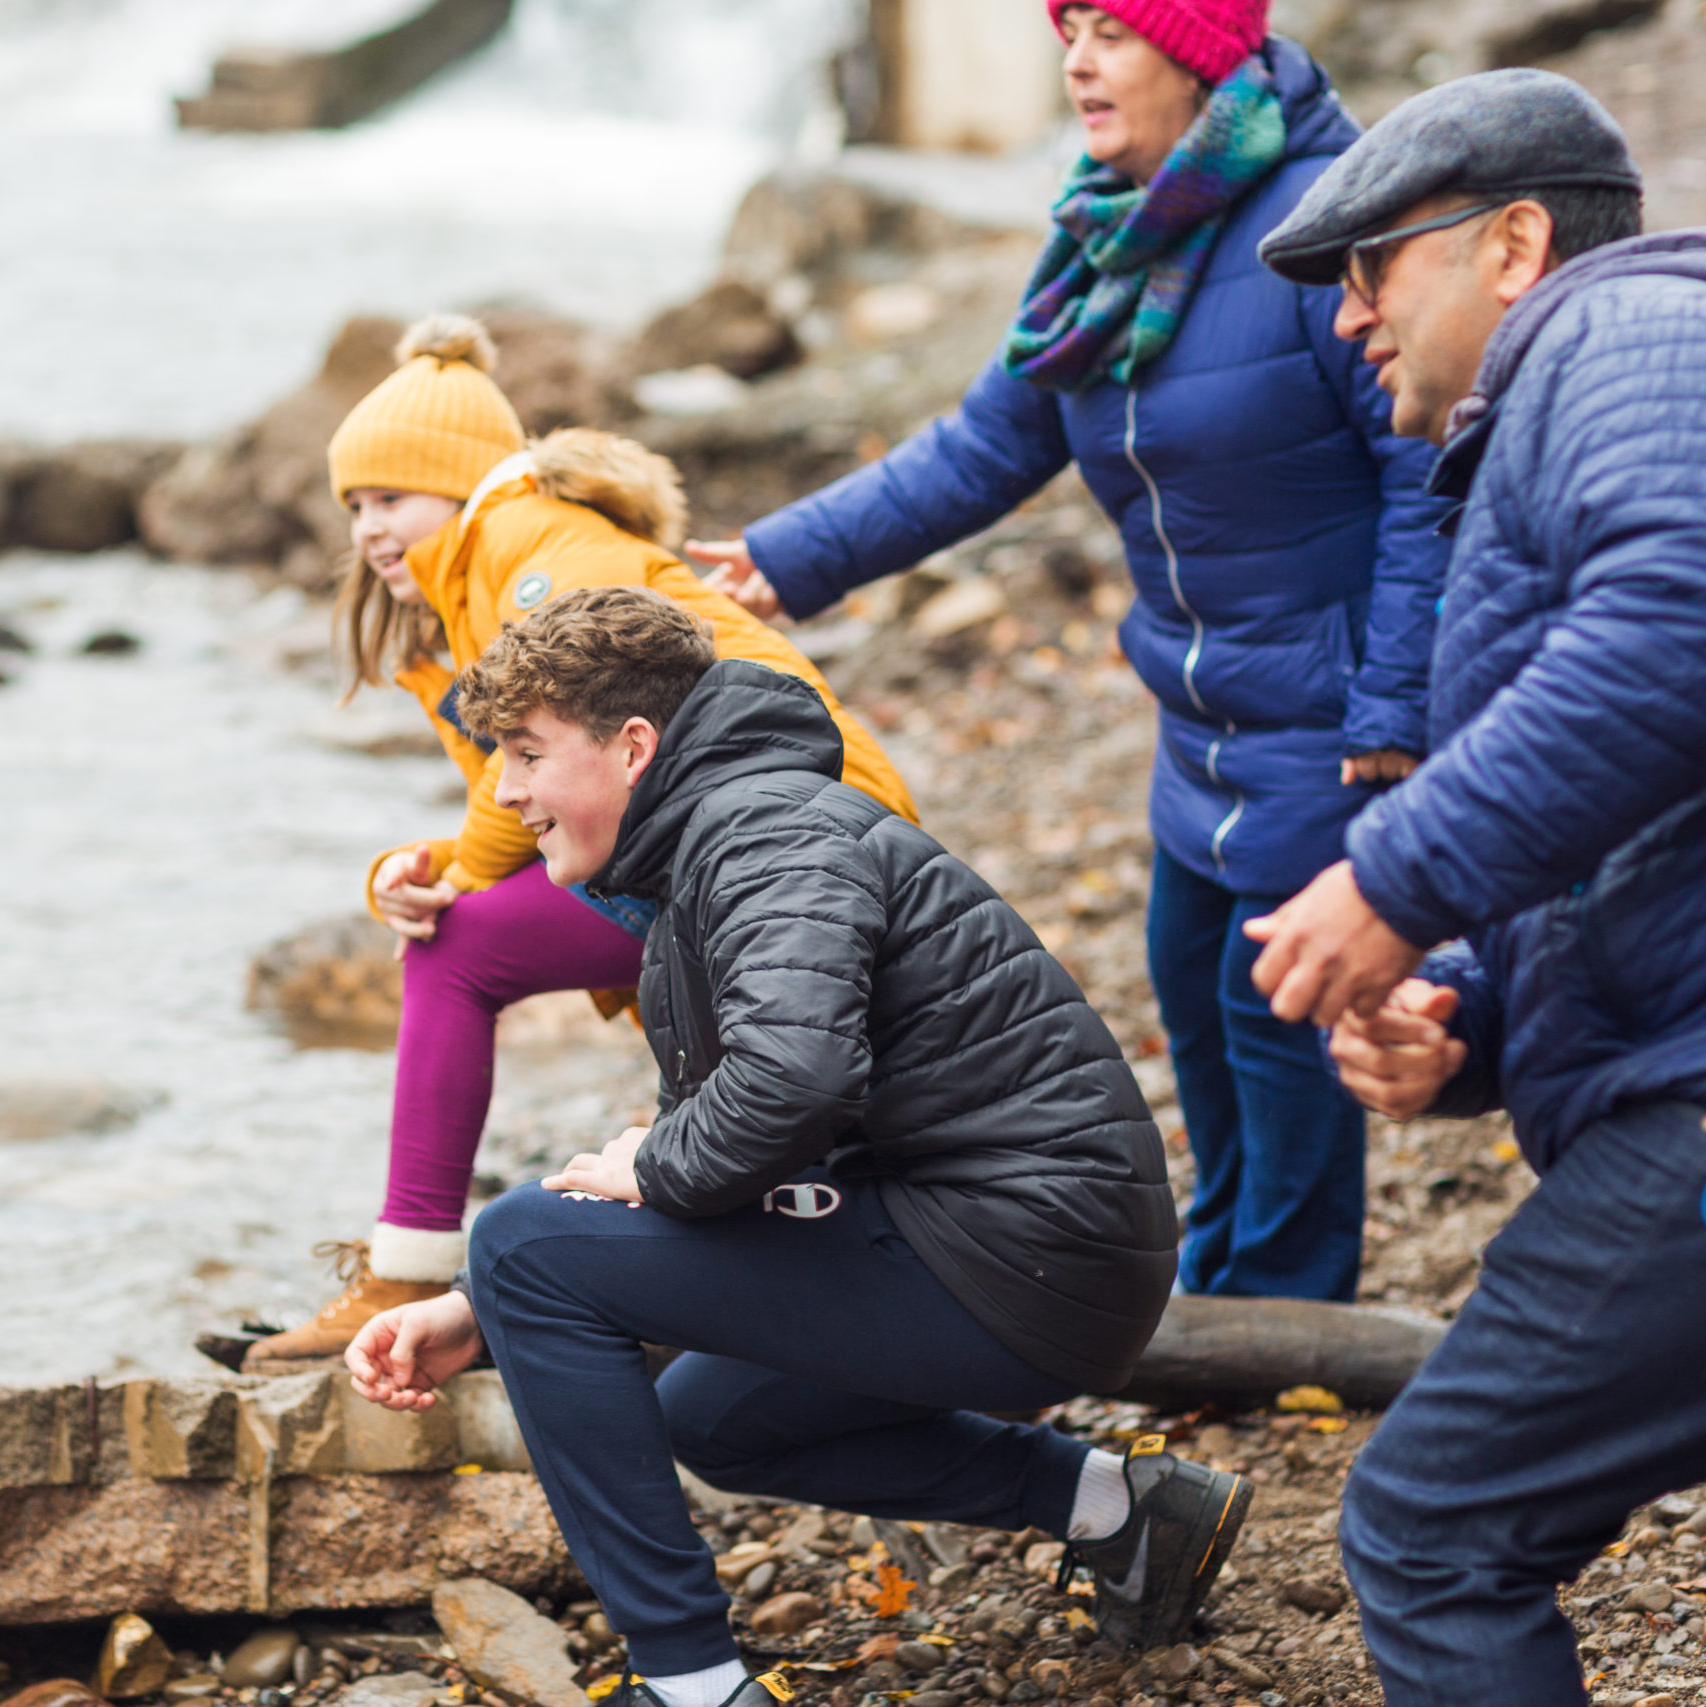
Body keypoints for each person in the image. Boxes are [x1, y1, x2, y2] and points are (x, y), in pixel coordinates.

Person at [1240, 68, 1706, 1707]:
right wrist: (1469, 1022)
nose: (1348, 319)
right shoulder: (1583, 398)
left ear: (1515, 242)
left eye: (1372, 267)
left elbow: (1684, 622)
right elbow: (1666, 804)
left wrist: (1397, 879)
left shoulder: (1646, 340)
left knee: (1432, 1525)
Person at [346, 586, 1252, 1705]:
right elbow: (779, 1127)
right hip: (1024, 1251)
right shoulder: (725, 840)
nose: (507, 790)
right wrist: (485, 1313)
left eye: (528, 753)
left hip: (1017, 1254)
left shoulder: (762, 833)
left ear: (633, 747)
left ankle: (691, 1686)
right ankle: (1122, 1508)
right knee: (712, 1418)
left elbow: (793, 1084)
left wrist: (610, 1199)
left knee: (528, 1240)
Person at [688, 0, 1451, 1303]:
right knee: (1193, 1007)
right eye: (1069, 30)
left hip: (1327, 715)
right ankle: (1215, 1280)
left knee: (1276, 1012)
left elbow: (1427, 473)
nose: (1078, 62)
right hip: (1198, 711)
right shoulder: (1104, 229)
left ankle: (1284, 1313)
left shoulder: (1327, 217)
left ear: (1200, 49)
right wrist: (785, 557)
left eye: (1111, 30)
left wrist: (1392, 714)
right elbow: (989, 444)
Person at [241, 319, 914, 1365]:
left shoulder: (529, 556)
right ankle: (716, 1276)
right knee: (496, 949)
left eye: (393, 499)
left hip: (794, 835)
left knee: (458, 950)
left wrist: (459, 883)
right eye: (356, 507)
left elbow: (555, 781)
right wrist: (408, 871)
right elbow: (520, 797)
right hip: (732, 834)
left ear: (467, 490)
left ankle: (408, 1274)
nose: (370, 531)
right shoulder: (467, 598)